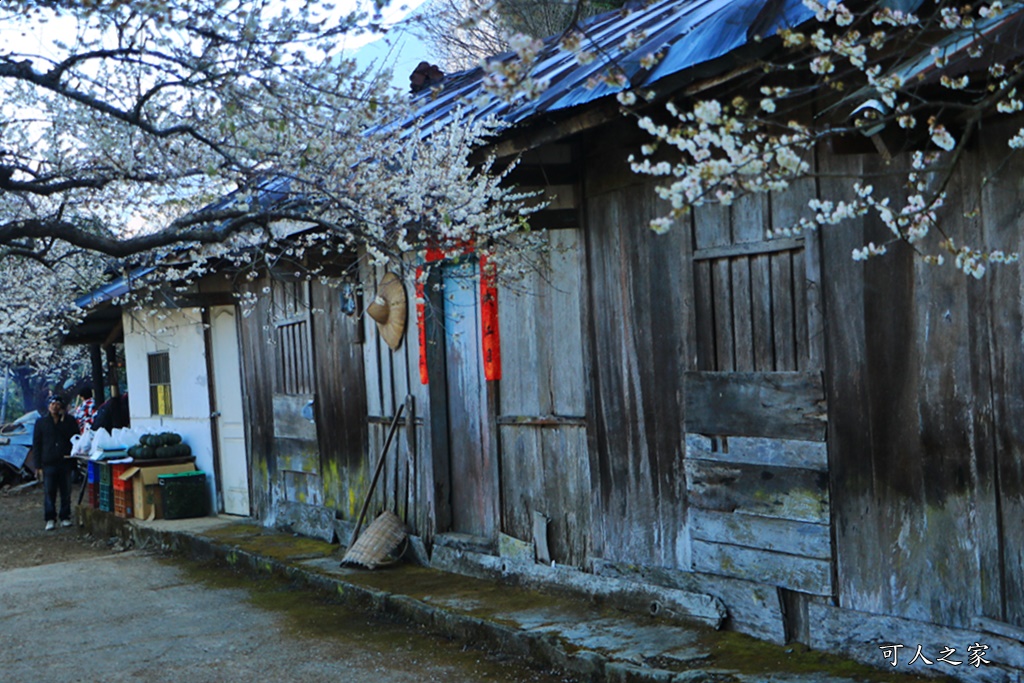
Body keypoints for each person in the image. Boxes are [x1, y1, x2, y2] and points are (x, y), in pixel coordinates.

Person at [32, 395, 80, 530]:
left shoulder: (69, 421)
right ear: (48, 406)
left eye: (57, 404)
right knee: (49, 492)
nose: (55, 406)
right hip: (48, 462)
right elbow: (37, 444)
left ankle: (65, 517)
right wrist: (37, 466)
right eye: (52, 404)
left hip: (65, 461)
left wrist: (64, 420)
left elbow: (76, 439)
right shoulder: (41, 423)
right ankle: (50, 518)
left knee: (66, 491)